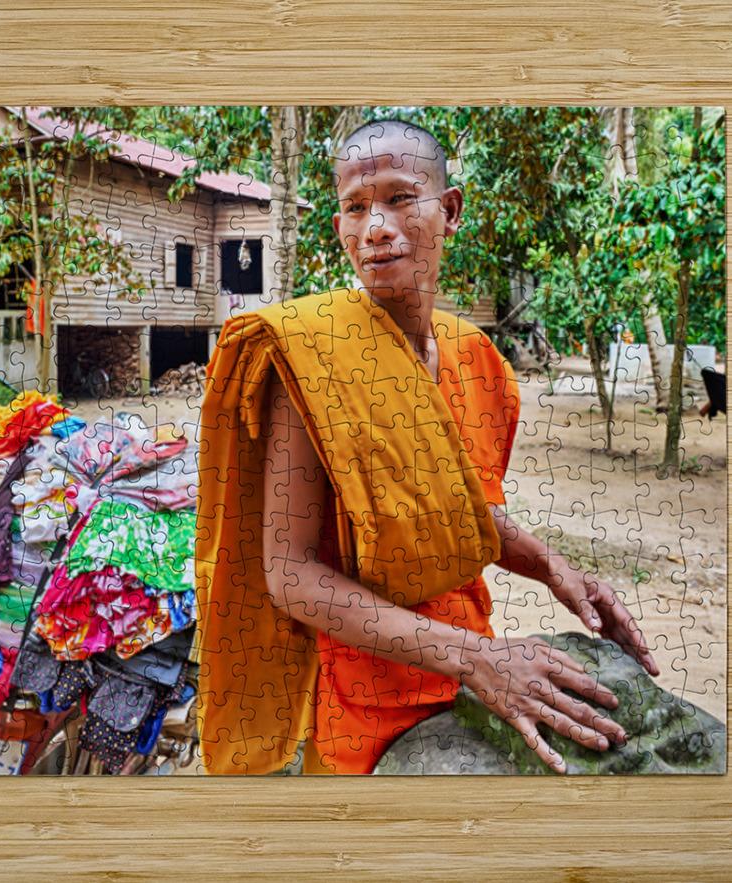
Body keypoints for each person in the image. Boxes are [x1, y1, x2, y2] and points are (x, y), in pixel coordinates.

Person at [195, 119, 658, 775]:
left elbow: (458, 516)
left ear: (451, 210)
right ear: (338, 229)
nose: (376, 227)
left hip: (477, 681)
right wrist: (478, 659)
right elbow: (290, 576)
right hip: (362, 710)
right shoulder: (309, 354)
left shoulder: (478, 360)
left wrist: (557, 568)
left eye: (399, 197)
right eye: (355, 208)